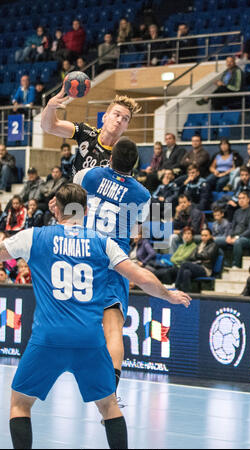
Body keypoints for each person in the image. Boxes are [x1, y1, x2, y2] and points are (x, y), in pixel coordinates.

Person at [0, 183, 191, 450]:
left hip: (48, 339)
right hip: (89, 340)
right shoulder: (103, 242)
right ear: (87, 210)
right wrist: (169, 295)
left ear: (56, 207)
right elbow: (141, 278)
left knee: (20, 403)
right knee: (109, 406)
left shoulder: (34, 236)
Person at [72, 138, 151, 390]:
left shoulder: (88, 175)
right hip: (112, 262)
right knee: (113, 328)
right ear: (135, 164)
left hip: (80, 256)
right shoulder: (143, 194)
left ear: (110, 157)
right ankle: (110, 392)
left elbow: (72, 199)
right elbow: (140, 229)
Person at [41, 91, 141, 178]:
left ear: (126, 126)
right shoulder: (87, 133)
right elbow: (49, 127)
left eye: (125, 119)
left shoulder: (122, 155)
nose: (119, 120)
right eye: (117, 114)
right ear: (104, 117)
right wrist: (50, 107)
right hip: (74, 195)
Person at [215, 191, 250, 268]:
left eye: (243, 198)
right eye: (239, 198)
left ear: (248, 199)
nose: (241, 200)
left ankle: (236, 265)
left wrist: (237, 237)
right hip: (234, 236)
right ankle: (225, 262)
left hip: (247, 238)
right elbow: (232, 227)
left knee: (237, 242)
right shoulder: (237, 211)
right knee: (215, 240)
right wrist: (229, 235)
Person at [175, 227, 219, 292]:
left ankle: (177, 286)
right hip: (197, 266)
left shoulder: (214, 245)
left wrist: (197, 256)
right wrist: (200, 257)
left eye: (206, 235)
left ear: (210, 236)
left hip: (205, 269)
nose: (203, 237)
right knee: (186, 272)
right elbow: (190, 257)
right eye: (202, 235)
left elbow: (207, 256)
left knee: (185, 264)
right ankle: (186, 292)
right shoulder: (200, 245)